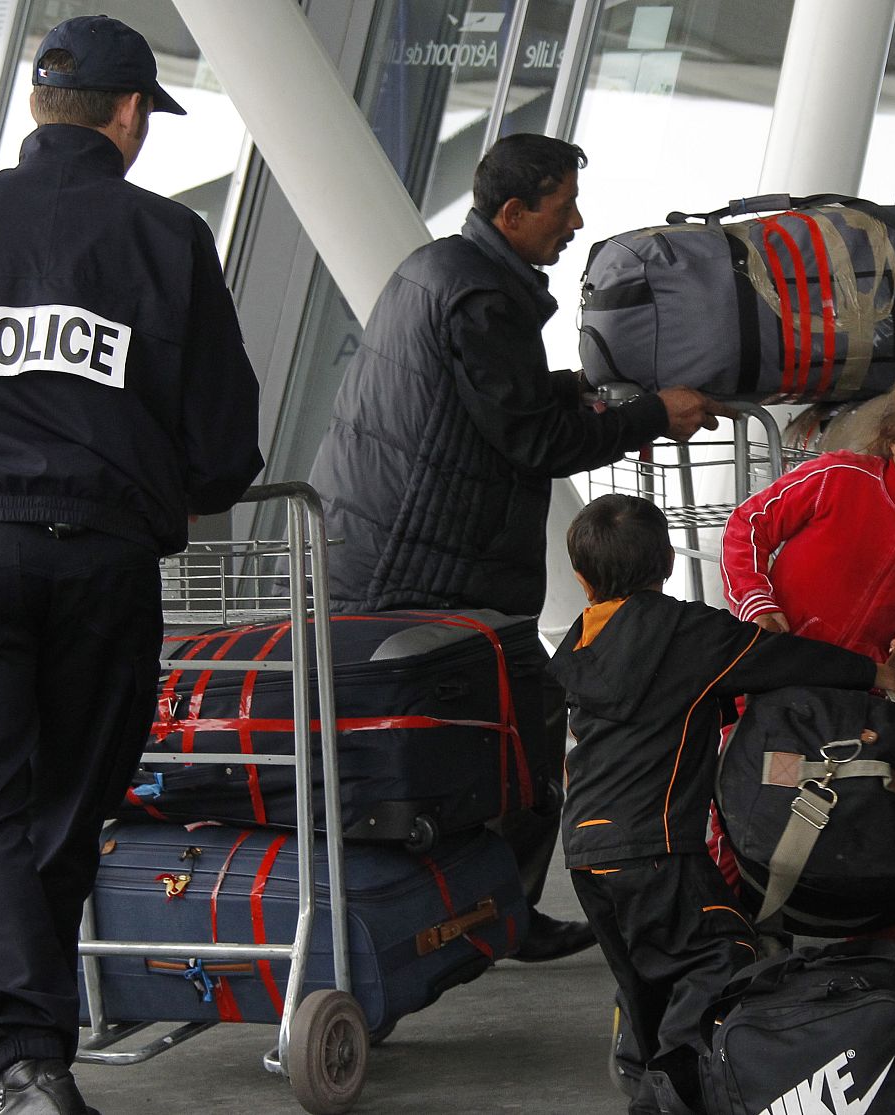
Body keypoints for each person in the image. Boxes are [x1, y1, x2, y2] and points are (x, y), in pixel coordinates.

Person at [0, 16, 263, 1115]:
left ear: (42, 103)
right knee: (63, 805)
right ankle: (29, 1053)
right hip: (104, 558)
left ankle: (26, 1057)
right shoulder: (168, 239)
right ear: (129, 114)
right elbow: (225, 444)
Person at [307, 133, 726, 962]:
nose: (575, 222)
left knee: (489, 733)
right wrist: (650, 416)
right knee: (514, 732)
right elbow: (531, 438)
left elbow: (489, 400)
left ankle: (486, 910)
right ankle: (483, 914)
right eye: (562, 206)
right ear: (513, 212)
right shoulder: (481, 299)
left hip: (386, 550)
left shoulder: (442, 270)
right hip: (420, 568)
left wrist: (589, 395)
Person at [550, 494, 895, 1115]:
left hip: (583, 846)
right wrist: (873, 673)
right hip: (654, 843)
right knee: (723, 954)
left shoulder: (577, 644)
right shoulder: (685, 632)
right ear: (665, 562)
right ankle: (669, 1097)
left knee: (641, 976)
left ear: (580, 578)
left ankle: (643, 1072)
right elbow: (783, 658)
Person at [716, 361, 895, 943]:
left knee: (866, 828)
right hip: (766, 691)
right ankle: (732, 955)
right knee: (741, 814)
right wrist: (754, 599)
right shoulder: (838, 477)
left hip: (857, 713)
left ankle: (878, 980)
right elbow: (748, 526)